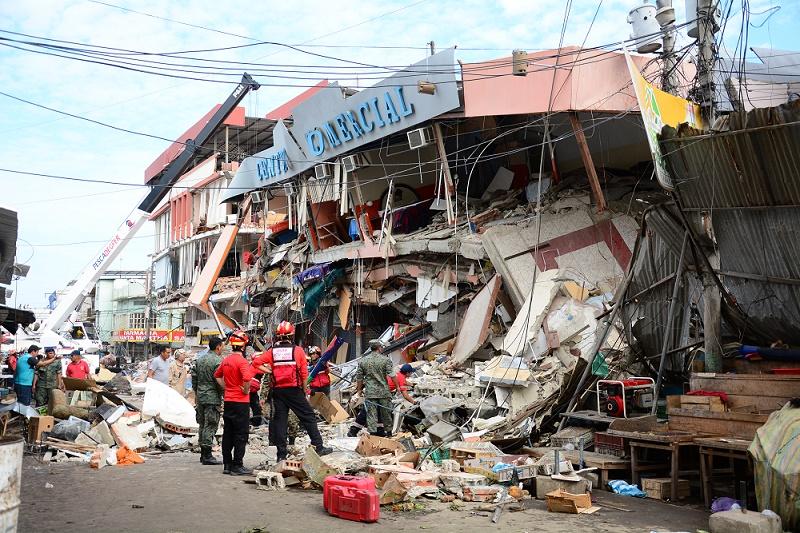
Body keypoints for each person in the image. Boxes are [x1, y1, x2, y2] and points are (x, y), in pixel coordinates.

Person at [254, 321, 331, 462]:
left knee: (280, 422)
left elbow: (255, 363)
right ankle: (319, 446)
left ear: (279, 336)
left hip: (278, 392)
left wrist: (270, 371)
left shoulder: (272, 352)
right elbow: (303, 374)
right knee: (308, 416)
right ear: (291, 335)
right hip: (294, 391)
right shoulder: (298, 351)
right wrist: (304, 390)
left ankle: (281, 455)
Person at [214, 330, 254, 475]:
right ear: (243, 346)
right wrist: (245, 391)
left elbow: (217, 376)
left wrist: (226, 387)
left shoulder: (226, 360)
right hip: (241, 403)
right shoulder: (242, 361)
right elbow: (247, 379)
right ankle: (238, 465)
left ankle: (227, 465)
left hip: (229, 401)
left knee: (228, 432)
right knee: (241, 433)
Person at [349, 362, 416, 437]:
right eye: (411, 373)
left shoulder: (396, 374)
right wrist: (414, 402)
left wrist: (412, 384)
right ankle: (353, 431)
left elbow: (403, 381)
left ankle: (379, 431)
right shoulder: (401, 378)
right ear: (407, 373)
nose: (411, 374)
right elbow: (405, 395)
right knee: (366, 412)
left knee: (380, 412)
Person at [355, 339, 400, 437]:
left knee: (371, 414)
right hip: (383, 392)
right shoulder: (385, 360)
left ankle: (373, 435)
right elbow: (392, 375)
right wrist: (398, 387)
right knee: (386, 413)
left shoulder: (363, 361)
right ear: (379, 348)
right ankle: (389, 433)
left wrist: (359, 390)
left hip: (370, 393)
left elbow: (359, 378)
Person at [192, 337, 224, 465]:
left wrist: (196, 391)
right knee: (211, 424)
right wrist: (222, 394)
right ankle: (207, 455)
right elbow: (219, 380)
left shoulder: (200, 360)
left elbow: (194, 377)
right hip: (212, 397)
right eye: (222, 346)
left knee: (202, 424)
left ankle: (203, 454)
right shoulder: (218, 361)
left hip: (200, 396)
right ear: (218, 347)